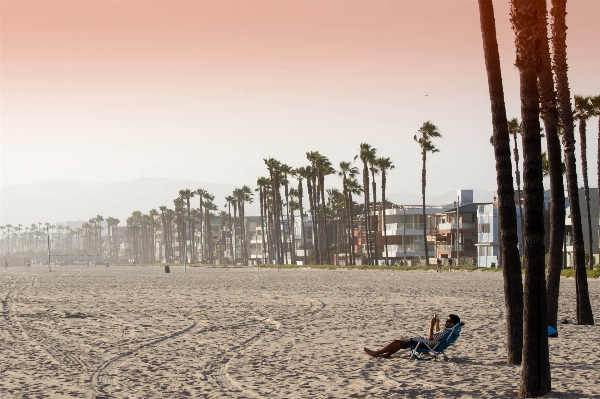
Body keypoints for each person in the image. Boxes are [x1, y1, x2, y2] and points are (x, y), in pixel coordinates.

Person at [364, 314, 461, 358]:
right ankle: (386, 355)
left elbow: (431, 338)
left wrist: (431, 325)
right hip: (432, 345)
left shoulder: (446, 331)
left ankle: (376, 352)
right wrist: (437, 324)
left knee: (397, 342)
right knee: (401, 341)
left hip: (426, 344)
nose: (446, 321)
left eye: (448, 321)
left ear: (452, 324)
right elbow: (437, 335)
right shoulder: (449, 331)